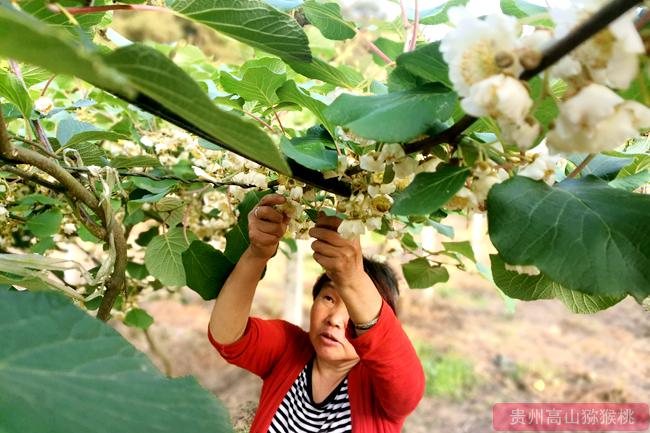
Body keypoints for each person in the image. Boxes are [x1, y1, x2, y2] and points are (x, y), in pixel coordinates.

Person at [208, 194, 425, 433]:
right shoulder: (290, 349)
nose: (334, 320)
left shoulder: (378, 389)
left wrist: (353, 278)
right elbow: (227, 337)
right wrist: (257, 253)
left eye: (353, 311)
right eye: (329, 298)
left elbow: (407, 386)